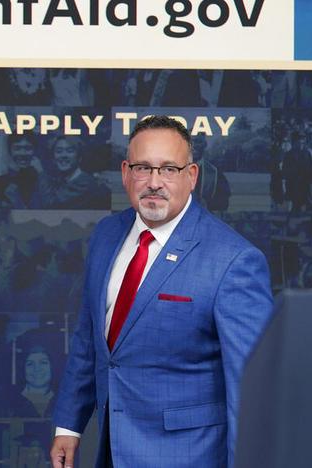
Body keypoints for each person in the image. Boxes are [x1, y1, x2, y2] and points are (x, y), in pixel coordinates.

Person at [50, 116, 273, 467]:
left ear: (192, 176)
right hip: (110, 452)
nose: (154, 182)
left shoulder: (234, 260)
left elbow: (251, 387)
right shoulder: (106, 235)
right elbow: (89, 339)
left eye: (169, 169)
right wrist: (69, 425)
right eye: (143, 168)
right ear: (125, 173)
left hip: (188, 456)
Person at [31, 136, 110, 209]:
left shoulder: (84, 182)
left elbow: (51, 205)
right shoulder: (61, 180)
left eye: (70, 151)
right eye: (59, 151)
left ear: (79, 157)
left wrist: (41, 172)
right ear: (53, 159)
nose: (63, 155)